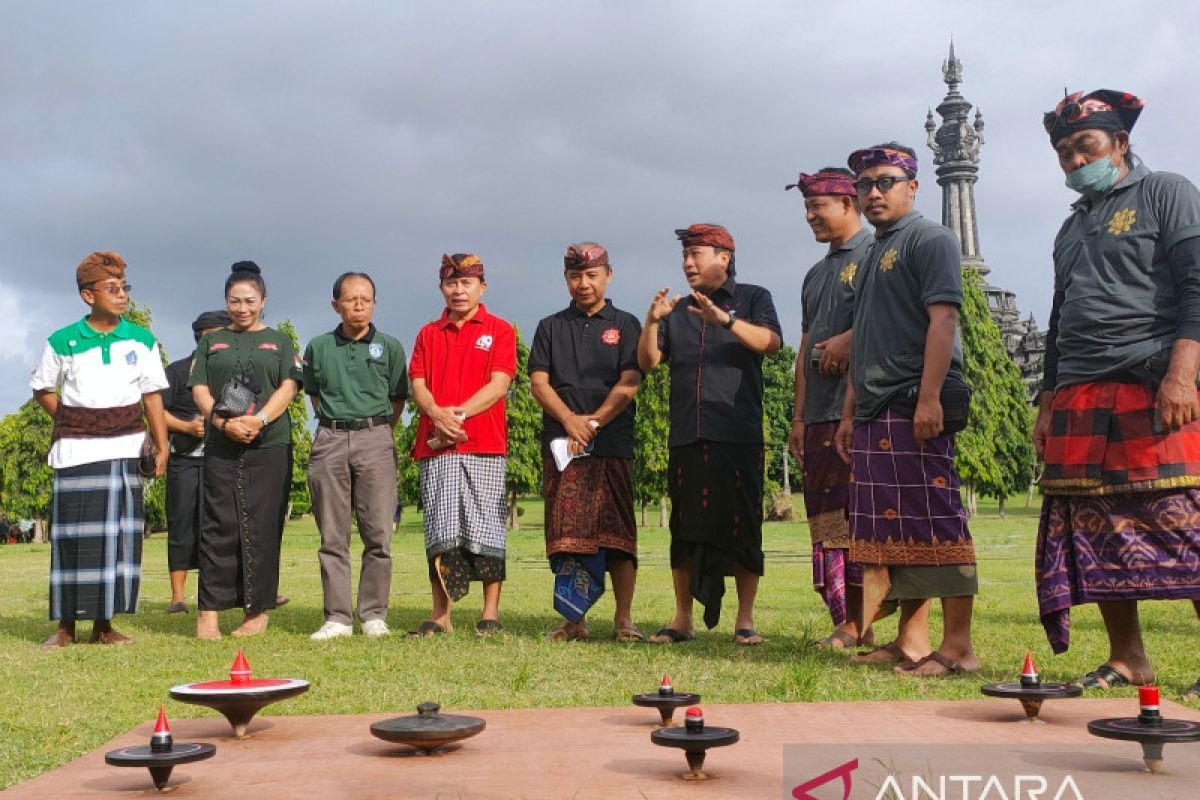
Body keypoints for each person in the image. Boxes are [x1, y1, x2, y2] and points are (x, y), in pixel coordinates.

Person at [1033, 90, 1200, 695]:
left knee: (1187, 522)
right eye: (1065, 153)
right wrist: (1048, 399)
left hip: (1152, 383)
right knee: (1097, 527)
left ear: (1120, 144)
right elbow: (1059, 317)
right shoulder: (1070, 226)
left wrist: (1184, 372)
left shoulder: (1167, 192)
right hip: (1079, 393)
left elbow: (1196, 286)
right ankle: (1128, 657)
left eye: (1087, 148)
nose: (1076, 161)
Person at [834, 143, 979, 677]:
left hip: (915, 400)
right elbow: (866, 339)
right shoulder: (872, 251)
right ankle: (911, 640)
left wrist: (929, 397)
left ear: (913, 187)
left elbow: (942, 321)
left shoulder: (931, 238)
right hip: (876, 403)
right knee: (893, 532)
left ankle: (959, 646)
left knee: (936, 521)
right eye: (865, 183)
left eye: (886, 181)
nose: (874, 191)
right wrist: (850, 412)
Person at [637, 223, 782, 645]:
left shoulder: (754, 297)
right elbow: (648, 363)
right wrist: (651, 322)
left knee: (742, 525)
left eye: (696, 254)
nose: (687, 263)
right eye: (685, 255)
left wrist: (726, 320)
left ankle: (745, 619)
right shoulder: (676, 310)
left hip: (737, 432)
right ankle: (682, 619)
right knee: (684, 528)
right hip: (687, 432)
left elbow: (771, 343)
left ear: (723, 256)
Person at [31, 251, 168, 649]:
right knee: (73, 539)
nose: (121, 295)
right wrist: (75, 420)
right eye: (112, 289)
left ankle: (104, 627)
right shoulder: (62, 341)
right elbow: (42, 389)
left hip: (124, 450)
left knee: (116, 542)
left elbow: (152, 397)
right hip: (74, 452)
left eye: (124, 288)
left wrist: (162, 446)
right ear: (88, 296)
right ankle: (65, 628)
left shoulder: (141, 340)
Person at [529, 242, 644, 642]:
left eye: (592, 275)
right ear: (566, 279)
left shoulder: (627, 324)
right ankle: (574, 621)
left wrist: (592, 423)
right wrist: (569, 421)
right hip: (563, 448)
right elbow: (538, 382)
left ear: (608, 275)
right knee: (567, 539)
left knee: (619, 538)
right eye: (575, 276)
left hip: (612, 443)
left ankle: (623, 620)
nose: (584, 283)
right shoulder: (550, 326)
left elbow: (630, 382)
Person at [785, 168, 877, 649]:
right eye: (806, 207)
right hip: (817, 416)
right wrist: (798, 418)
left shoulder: (873, 256)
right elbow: (804, 348)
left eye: (816, 206)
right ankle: (848, 619)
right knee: (826, 521)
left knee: (857, 518)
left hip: (858, 413)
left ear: (846, 203)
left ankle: (858, 623)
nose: (809, 216)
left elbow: (885, 327)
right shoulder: (815, 273)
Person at [189, 261, 301, 640]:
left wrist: (260, 421)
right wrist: (222, 424)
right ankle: (209, 613)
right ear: (226, 301)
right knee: (218, 526)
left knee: (264, 526)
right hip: (221, 443)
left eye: (249, 300)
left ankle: (257, 612)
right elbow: (200, 388)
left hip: (270, 444)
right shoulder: (210, 341)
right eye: (234, 300)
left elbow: (288, 386)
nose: (241, 307)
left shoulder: (280, 340)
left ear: (263, 301)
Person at [408, 254, 516, 637]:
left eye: (467, 282)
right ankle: (441, 615)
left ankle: (491, 613)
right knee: (440, 527)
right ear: (442, 288)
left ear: (481, 287)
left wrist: (457, 416)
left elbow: (499, 384)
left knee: (487, 527)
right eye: (451, 283)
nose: (459, 290)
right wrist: (437, 414)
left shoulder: (500, 330)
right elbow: (417, 384)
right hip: (436, 446)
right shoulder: (427, 333)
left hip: (484, 443)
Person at [305, 271, 407, 640]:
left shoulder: (390, 347)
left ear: (374, 302)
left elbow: (398, 398)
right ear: (336, 305)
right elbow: (314, 394)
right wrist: (339, 424)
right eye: (351, 299)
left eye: (366, 298)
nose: (359, 305)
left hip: (376, 437)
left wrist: (376, 430)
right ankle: (338, 617)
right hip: (330, 437)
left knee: (378, 532)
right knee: (332, 535)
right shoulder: (318, 347)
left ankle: (373, 614)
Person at [162, 309, 232, 614]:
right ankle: (178, 597)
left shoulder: (231, 371)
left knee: (220, 527)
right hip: (183, 462)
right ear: (201, 339)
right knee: (181, 526)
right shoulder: (176, 372)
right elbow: (154, 412)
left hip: (223, 461)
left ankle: (219, 593)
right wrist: (187, 427)